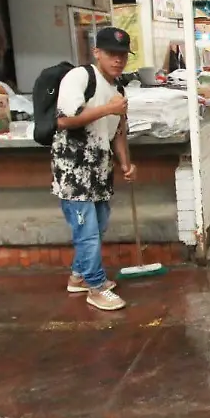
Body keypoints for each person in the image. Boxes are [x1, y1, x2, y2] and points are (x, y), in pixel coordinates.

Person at [53, 27, 135, 312]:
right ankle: (96, 287)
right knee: (86, 231)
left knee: (98, 226)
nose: (118, 60)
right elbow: (65, 121)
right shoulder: (80, 77)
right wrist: (107, 109)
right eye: (112, 54)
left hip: (100, 168)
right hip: (74, 168)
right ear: (97, 52)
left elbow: (119, 132)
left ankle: (78, 276)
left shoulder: (118, 88)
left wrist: (125, 163)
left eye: (123, 55)